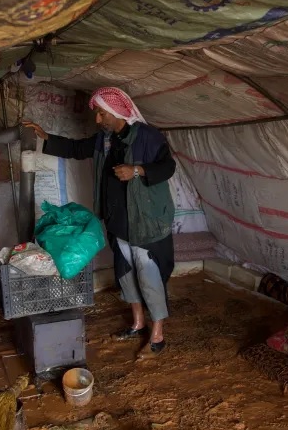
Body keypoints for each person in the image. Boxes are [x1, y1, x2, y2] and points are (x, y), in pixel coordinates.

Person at [24, 87, 176, 359]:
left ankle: (158, 334)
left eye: (101, 114)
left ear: (117, 112)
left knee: (149, 275)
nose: (97, 120)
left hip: (146, 221)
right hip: (119, 220)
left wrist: (137, 171)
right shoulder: (105, 139)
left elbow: (168, 167)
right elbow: (76, 148)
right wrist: (45, 137)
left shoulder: (148, 137)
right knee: (126, 273)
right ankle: (138, 323)